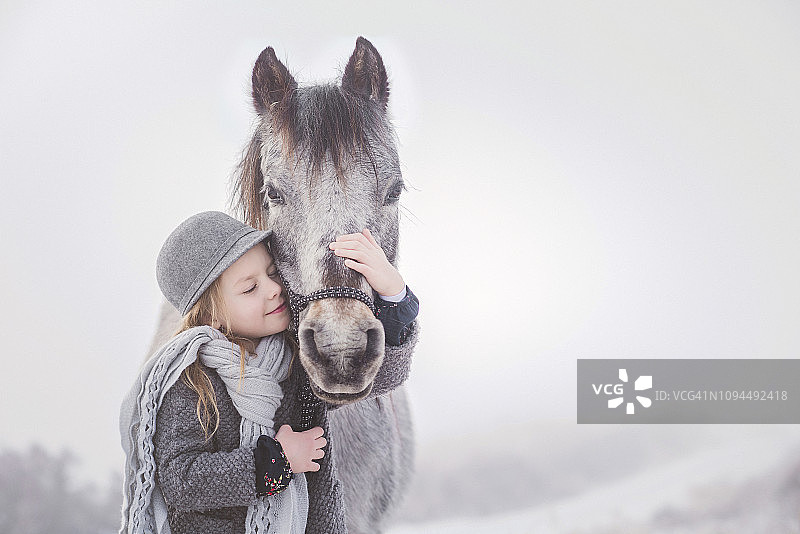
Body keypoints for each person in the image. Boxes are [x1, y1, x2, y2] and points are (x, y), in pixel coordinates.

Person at [119, 211, 418, 534]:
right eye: (250, 288)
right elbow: (183, 480)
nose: (274, 289)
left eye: (273, 273)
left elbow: (373, 376)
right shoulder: (193, 382)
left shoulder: (293, 360)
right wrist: (277, 462)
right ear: (211, 317)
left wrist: (393, 295)